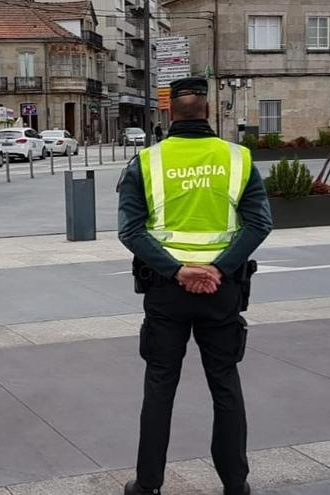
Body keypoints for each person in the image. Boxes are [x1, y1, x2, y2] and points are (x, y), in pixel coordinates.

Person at [117, 77, 272, 495]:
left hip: (166, 292)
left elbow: (130, 231)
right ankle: (236, 485)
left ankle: (147, 484)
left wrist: (177, 270)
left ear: (170, 114)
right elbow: (260, 223)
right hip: (222, 290)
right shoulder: (238, 159)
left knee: (159, 386)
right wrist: (218, 268)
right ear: (208, 110)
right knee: (225, 384)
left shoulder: (146, 162)